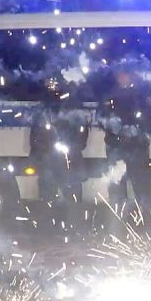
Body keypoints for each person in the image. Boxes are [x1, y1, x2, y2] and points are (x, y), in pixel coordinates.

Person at [29, 77, 91, 222]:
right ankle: (50, 224)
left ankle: (73, 224)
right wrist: (42, 150)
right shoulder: (45, 106)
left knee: (71, 194)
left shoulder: (72, 104)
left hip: (68, 158)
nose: (51, 86)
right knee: (49, 194)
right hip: (49, 158)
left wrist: (74, 146)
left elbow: (82, 131)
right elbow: (36, 133)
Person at [98, 68, 151, 207]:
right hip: (116, 145)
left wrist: (136, 132)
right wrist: (114, 128)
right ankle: (119, 209)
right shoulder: (110, 95)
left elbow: (148, 118)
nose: (122, 77)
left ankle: (146, 211)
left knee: (140, 180)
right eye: (120, 74)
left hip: (136, 145)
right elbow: (101, 117)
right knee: (117, 181)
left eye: (125, 74)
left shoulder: (141, 95)